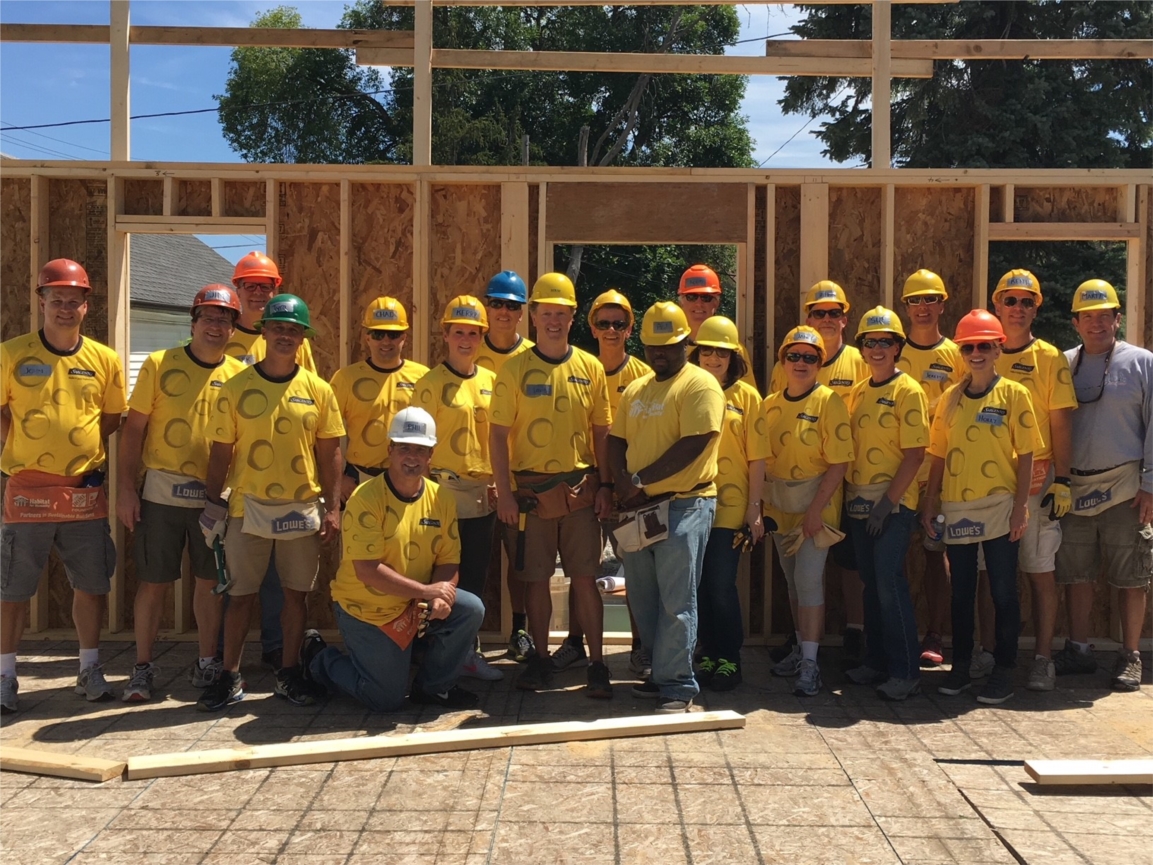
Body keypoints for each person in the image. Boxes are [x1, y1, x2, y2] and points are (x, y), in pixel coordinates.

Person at [197, 294, 345, 711]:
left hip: (301, 507)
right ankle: (229, 675)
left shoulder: (318, 390)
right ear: (263, 332)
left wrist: (332, 508)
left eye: (293, 330)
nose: (285, 335)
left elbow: (331, 452)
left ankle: (288, 672)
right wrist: (213, 504)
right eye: (278, 328)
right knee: (239, 596)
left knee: (296, 596)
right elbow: (220, 452)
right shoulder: (237, 387)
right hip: (248, 508)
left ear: (302, 338)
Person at [0, 259, 127, 713]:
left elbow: (111, 418)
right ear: (41, 303)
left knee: (91, 584)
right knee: (12, 589)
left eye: (74, 301)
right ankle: (6, 676)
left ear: (86, 306)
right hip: (28, 489)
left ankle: (89, 669)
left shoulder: (104, 360)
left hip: (82, 491)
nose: (65, 308)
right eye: (57, 300)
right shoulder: (11, 354)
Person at [307, 407, 484, 712]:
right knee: (384, 698)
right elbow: (368, 571)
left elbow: (449, 560)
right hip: (367, 609)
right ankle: (319, 659)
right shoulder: (366, 498)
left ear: (431, 454)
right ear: (390, 451)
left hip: (413, 603)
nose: (412, 457)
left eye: (420, 449)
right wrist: (428, 592)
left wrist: (442, 592)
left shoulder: (440, 498)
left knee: (469, 609)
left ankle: (433, 688)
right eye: (404, 448)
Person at [117, 285, 246, 700]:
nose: (216, 326)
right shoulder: (158, 364)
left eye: (224, 319)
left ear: (233, 327)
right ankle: (141, 667)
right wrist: (125, 490)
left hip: (214, 499)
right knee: (153, 582)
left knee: (209, 582)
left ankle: (208, 663)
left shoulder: (240, 375)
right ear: (193, 322)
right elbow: (133, 430)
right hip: (161, 493)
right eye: (208, 317)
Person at [490, 272, 614, 697]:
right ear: (534, 316)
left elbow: (601, 433)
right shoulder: (514, 370)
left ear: (573, 316)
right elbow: (497, 435)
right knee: (536, 580)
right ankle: (541, 660)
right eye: (547, 314)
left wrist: (606, 487)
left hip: (580, 491)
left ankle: (597, 664)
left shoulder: (590, 367)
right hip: (530, 495)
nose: (554, 322)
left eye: (561, 314)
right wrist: (504, 493)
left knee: (585, 578)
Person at [608, 302, 725, 712]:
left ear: (685, 343)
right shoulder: (638, 388)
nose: (660, 353)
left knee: (677, 601)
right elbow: (615, 439)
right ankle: (659, 675)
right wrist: (621, 482)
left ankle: (678, 684)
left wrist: (639, 481)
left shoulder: (700, 385)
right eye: (653, 346)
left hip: (684, 505)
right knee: (643, 598)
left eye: (669, 345)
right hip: (640, 509)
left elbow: (696, 443)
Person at [923, 309, 1038, 706]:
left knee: (1004, 592)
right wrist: (929, 502)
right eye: (969, 346)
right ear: (960, 351)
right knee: (962, 592)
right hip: (957, 508)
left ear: (997, 349)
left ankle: (1003, 669)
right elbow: (937, 454)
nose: (976, 352)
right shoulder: (950, 399)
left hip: (1000, 508)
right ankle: (962, 667)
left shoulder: (1014, 395)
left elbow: (1027, 456)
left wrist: (1021, 507)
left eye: (984, 346)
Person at [1053, 280, 1152, 692]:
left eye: (1105, 315)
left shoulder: (1142, 363)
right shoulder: (1063, 363)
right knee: (1076, 573)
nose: (1097, 324)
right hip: (1075, 487)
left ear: (1117, 318)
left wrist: (1150, 484)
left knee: (1131, 575)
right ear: (1075, 322)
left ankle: (1130, 655)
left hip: (1126, 487)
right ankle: (1078, 650)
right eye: (1088, 316)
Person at [983, 269, 1077, 692]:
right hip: (986, 484)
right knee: (988, 574)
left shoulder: (1050, 358)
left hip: (1037, 480)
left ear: (1037, 307)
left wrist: (1064, 481)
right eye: (1010, 300)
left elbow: (1060, 424)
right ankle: (988, 653)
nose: (1017, 309)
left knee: (1039, 570)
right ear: (995, 304)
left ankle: (1042, 659)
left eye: (1027, 302)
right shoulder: (981, 350)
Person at [769, 281, 869, 668]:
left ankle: (856, 633)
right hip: (798, 489)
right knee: (799, 576)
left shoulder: (859, 360)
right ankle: (803, 646)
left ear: (845, 318)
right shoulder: (782, 382)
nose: (826, 319)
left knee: (850, 564)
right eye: (818, 312)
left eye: (833, 312)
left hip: (848, 477)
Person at [223, 250, 314, 671]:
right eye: (250, 285)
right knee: (236, 584)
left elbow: (306, 399)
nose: (258, 292)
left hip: (288, 483)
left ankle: (278, 650)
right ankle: (224, 663)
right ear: (237, 289)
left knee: (284, 582)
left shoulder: (292, 336)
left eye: (266, 286)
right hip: (238, 484)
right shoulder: (220, 330)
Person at [554, 289, 652, 678]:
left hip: (628, 493)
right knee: (582, 571)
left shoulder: (643, 375)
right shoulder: (580, 370)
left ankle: (640, 647)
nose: (611, 330)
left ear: (630, 329)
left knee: (637, 572)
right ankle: (575, 643)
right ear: (591, 327)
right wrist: (595, 482)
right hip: (588, 489)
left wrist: (625, 485)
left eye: (620, 323)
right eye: (603, 323)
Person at [759, 326, 854, 697]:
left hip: (818, 506)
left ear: (820, 363)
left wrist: (816, 510)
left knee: (810, 581)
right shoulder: (769, 406)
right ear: (782, 361)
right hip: (782, 506)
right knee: (792, 581)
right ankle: (802, 650)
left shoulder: (829, 401)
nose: (801, 363)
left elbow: (839, 463)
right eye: (794, 356)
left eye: (810, 357)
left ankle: (812, 666)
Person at [413, 295, 502, 682]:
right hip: (440, 494)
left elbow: (500, 441)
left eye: (473, 333)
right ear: (446, 335)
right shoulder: (429, 385)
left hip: (482, 494)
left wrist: (501, 480)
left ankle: (467, 652)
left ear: (481, 337)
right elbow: (418, 447)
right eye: (458, 332)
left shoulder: (491, 382)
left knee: (474, 576)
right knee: (438, 577)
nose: (466, 340)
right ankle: (429, 654)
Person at [843, 307, 928, 701]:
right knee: (871, 584)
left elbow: (914, 455)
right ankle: (875, 662)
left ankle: (905, 670)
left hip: (893, 508)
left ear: (897, 347)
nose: (877, 349)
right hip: (860, 504)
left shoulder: (908, 390)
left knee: (889, 584)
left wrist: (886, 504)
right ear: (861, 348)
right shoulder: (860, 391)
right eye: (870, 342)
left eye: (885, 342)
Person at [689, 316, 763, 690]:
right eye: (707, 350)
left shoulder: (748, 397)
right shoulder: (687, 389)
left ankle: (730, 658)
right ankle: (711, 653)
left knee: (720, 584)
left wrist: (755, 509)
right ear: (697, 353)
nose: (714, 358)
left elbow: (758, 457)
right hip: (693, 503)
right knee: (698, 585)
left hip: (732, 508)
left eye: (721, 352)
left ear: (733, 357)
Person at [896, 269, 963, 668]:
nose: (922, 308)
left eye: (930, 300)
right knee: (895, 557)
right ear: (905, 307)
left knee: (936, 554)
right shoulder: (889, 349)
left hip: (941, 475)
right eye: (915, 301)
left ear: (942, 303)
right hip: (898, 473)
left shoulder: (957, 354)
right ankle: (897, 631)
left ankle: (935, 633)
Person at [474, 270, 536, 663]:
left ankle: (519, 632)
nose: (503, 311)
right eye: (496, 303)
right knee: (468, 562)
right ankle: (467, 639)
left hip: (518, 477)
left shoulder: (531, 356)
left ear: (521, 313)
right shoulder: (468, 347)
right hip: (475, 477)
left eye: (511, 306)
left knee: (521, 560)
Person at [330, 297, 429, 498]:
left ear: (404, 337)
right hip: (359, 479)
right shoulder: (346, 378)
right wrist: (339, 478)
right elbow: (324, 433)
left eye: (393, 334)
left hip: (409, 480)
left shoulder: (423, 377)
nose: (385, 341)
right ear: (367, 337)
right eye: (378, 333)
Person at [677, 264, 756, 386]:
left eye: (706, 298)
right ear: (681, 302)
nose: (699, 303)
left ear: (716, 303)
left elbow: (747, 400)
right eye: (691, 297)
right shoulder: (672, 348)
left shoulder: (734, 350)